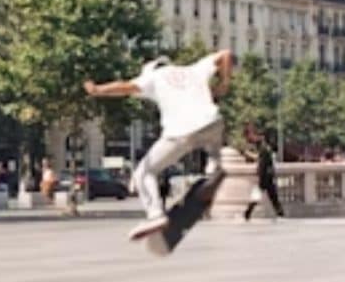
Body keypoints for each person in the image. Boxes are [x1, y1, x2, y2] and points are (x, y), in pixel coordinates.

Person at [85, 49, 234, 241]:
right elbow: (226, 54)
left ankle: (155, 215)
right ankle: (214, 166)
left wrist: (98, 90)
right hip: (212, 123)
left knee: (144, 172)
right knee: (213, 140)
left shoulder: (152, 77)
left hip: (180, 132)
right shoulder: (193, 69)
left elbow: (125, 87)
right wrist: (224, 83)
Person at [243, 129, 285, 221]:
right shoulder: (266, 149)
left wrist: (249, 154)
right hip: (266, 177)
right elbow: (262, 162)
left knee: (269, 196)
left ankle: (248, 212)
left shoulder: (264, 149)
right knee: (272, 196)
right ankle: (280, 213)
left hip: (265, 177)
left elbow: (260, 161)